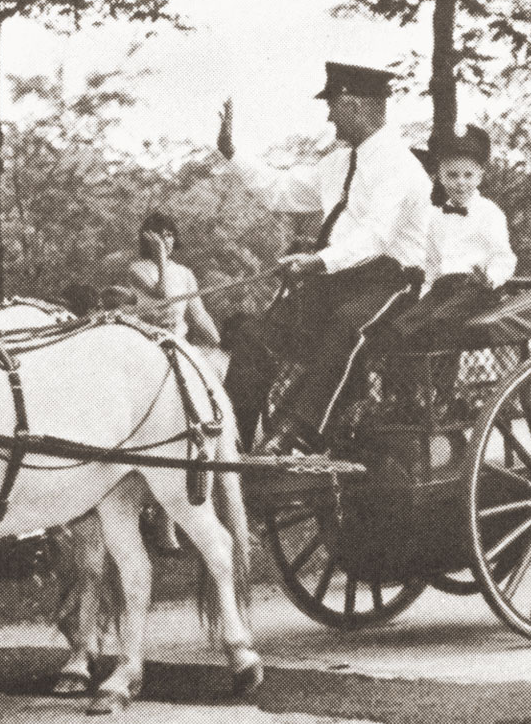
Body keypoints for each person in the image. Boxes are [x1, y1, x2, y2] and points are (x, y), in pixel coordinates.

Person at [218, 62, 433, 452]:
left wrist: (317, 261)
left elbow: (375, 237)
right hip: (337, 279)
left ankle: (300, 434)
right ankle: (231, 443)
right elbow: (280, 191)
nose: (329, 116)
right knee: (256, 335)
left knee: (346, 325)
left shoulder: (401, 167)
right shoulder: (335, 163)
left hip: (390, 280)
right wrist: (233, 154)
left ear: (352, 105)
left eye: (332, 105)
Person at [383, 125, 518, 349]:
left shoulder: (489, 212)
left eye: (468, 175)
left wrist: (490, 278)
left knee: (441, 323)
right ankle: (413, 379)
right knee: (404, 325)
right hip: (443, 288)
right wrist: (424, 297)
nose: (461, 182)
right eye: (452, 175)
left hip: (476, 288)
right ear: (440, 177)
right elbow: (432, 263)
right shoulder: (436, 216)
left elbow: (504, 257)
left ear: (480, 176)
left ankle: (442, 382)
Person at [125, 211, 221, 348]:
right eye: (159, 236)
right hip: (146, 343)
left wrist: (220, 344)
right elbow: (161, 294)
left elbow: (199, 315)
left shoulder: (185, 273)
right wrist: (161, 259)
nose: (165, 241)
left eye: (169, 235)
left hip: (176, 342)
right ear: (148, 240)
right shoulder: (136, 269)